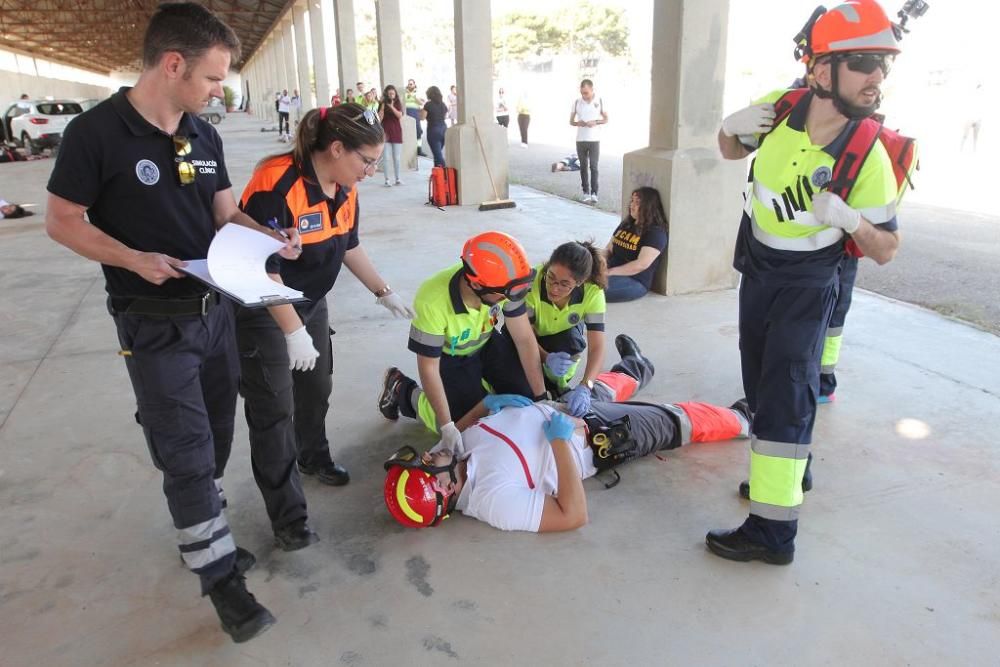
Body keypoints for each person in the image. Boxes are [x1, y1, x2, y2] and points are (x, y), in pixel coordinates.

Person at [43, 2, 299, 643]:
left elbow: (223, 216)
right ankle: (221, 583)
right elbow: (62, 220)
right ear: (174, 63)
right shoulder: (97, 135)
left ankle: (204, 529)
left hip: (215, 316)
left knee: (212, 442)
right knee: (186, 454)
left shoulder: (203, 134)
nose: (221, 91)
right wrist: (133, 258)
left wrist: (269, 238)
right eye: (214, 78)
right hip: (152, 326)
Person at [711, 0, 903, 565]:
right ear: (822, 72)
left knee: (785, 393)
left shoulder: (868, 150)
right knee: (760, 381)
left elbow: (887, 248)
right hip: (759, 268)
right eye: (865, 61)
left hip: (809, 279)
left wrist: (851, 219)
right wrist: (727, 131)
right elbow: (729, 151)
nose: (877, 77)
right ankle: (791, 472)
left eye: (884, 65)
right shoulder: (782, 106)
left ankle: (772, 532)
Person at [236, 102, 413, 550]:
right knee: (274, 411)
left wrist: (383, 290)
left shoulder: (346, 186)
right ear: (336, 148)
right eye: (367, 161)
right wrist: (292, 331)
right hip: (264, 309)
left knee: (316, 388)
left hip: (312, 303)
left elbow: (348, 244)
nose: (371, 170)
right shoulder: (276, 184)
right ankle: (288, 517)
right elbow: (262, 267)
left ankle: (312, 457)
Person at [383, 386, 750, 533]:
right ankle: (748, 418)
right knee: (675, 419)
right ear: (446, 487)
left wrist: (487, 405)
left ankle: (634, 368)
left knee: (593, 389)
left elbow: (458, 430)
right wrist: (559, 443)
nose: (429, 453)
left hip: (560, 409)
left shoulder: (455, 459)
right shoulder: (493, 501)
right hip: (597, 437)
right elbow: (572, 515)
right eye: (427, 464)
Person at [377, 231, 547, 455]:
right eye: (505, 294)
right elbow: (429, 368)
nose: (510, 299)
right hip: (451, 357)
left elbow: (524, 340)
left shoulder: (506, 285)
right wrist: (448, 426)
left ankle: (484, 391)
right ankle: (403, 390)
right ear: (477, 286)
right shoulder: (432, 301)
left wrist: (542, 399)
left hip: (486, 341)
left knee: (527, 399)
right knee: (465, 425)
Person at [524, 241, 612, 413]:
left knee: (571, 340)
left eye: (564, 284)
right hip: (530, 340)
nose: (554, 289)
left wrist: (587, 386)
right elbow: (523, 337)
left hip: (563, 342)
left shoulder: (593, 292)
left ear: (580, 282)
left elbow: (597, 346)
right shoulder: (531, 281)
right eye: (550, 278)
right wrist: (546, 357)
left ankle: (558, 383)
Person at [604, 187, 668, 302]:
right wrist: (597, 262)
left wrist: (610, 272)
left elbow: (641, 264)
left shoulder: (656, 232)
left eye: (637, 203)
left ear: (649, 206)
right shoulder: (627, 223)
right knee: (576, 277)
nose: (632, 205)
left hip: (634, 280)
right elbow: (609, 248)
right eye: (632, 201)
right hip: (610, 270)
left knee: (590, 290)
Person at [569, 79, 608, 205]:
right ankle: (585, 192)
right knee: (583, 167)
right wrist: (577, 123)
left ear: (592, 90)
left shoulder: (600, 101)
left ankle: (594, 193)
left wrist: (595, 122)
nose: (584, 95)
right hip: (580, 139)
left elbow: (606, 119)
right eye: (582, 93)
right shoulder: (577, 102)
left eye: (586, 93)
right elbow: (571, 121)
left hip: (594, 139)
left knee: (594, 166)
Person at [379, 85, 404, 186]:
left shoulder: (397, 103)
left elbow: (399, 115)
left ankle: (397, 178)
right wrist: (383, 108)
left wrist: (392, 106)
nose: (391, 95)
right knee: (386, 157)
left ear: (395, 94)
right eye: (389, 94)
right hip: (385, 132)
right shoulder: (382, 103)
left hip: (396, 132)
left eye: (393, 93)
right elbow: (379, 119)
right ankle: (387, 180)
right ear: (386, 94)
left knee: (397, 157)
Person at [421, 85, 448, 168]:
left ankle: (444, 173)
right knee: (437, 154)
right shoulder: (443, 104)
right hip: (444, 129)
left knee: (438, 155)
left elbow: (422, 117)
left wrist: (421, 109)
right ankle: (437, 176)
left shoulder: (428, 105)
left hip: (433, 130)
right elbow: (445, 116)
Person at [404, 79, 425, 155]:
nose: (410, 85)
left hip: (415, 112)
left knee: (418, 131)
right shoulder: (404, 93)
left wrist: (413, 96)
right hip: (407, 112)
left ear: (414, 85)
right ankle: (410, 150)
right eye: (409, 84)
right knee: (408, 132)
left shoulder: (418, 93)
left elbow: (421, 103)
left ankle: (419, 149)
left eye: (411, 84)